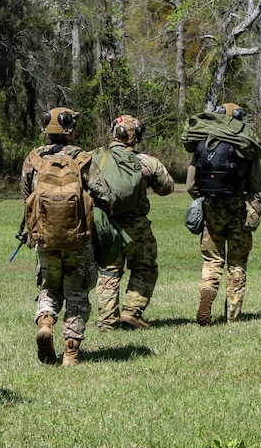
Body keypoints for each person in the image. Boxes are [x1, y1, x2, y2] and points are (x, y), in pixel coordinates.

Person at [20, 107, 94, 366]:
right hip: (78, 239)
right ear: (70, 131)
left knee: (49, 286)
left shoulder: (33, 159)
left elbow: (26, 196)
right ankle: (71, 352)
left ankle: (46, 323)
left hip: (45, 237)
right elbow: (103, 193)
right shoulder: (83, 159)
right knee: (77, 290)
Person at [184, 101, 261, 325]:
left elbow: (190, 184)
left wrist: (205, 200)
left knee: (212, 259)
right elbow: (257, 185)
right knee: (237, 263)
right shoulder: (244, 144)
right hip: (238, 208)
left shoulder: (204, 142)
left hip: (211, 208)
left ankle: (207, 292)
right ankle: (232, 317)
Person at [92, 115, 176, 331]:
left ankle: (107, 321)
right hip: (136, 225)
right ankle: (132, 311)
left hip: (105, 225)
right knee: (145, 266)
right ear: (135, 136)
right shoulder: (145, 162)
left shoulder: (94, 158)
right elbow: (167, 187)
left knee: (109, 271)